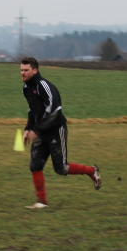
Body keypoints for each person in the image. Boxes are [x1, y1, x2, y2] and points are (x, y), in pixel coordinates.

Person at [20, 56, 101, 209]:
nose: (22, 73)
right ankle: (42, 202)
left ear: (35, 70)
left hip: (56, 129)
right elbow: (32, 111)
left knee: (61, 168)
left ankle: (92, 171)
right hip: (40, 131)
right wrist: (28, 129)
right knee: (35, 165)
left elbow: (55, 111)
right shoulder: (26, 88)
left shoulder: (44, 86)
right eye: (21, 70)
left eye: (26, 70)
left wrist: (36, 130)